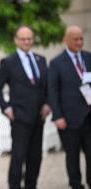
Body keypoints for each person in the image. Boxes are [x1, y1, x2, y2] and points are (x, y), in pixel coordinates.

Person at [0, 25, 50, 189]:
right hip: (19, 118)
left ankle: (31, 186)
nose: (26, 41)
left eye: (29, 38)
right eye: (23, 38)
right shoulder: (8, 62)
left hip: (39, 118)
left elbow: (47, 86)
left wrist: (48, 104)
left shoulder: (41, 60)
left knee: (35, 157)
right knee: (18, 157)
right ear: (16, 40)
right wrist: (6, 109)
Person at [48, 25, 91, 189]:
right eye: (75, 39)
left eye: (81, 39)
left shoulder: (88, 58)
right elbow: (53, 91)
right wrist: (57, 116)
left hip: (89, 117)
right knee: (72, 155)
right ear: (66, 40)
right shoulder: (57, 63)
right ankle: (76, 184)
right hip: (68, 118)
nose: (79, 42)